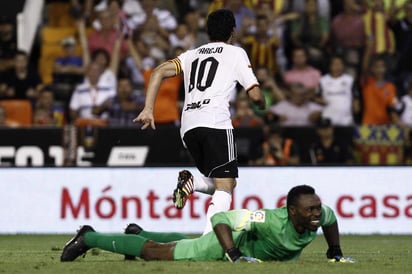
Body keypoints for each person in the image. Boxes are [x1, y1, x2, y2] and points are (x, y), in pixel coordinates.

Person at [133, 9, 265, 235]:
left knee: (225, 182)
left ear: (207, 31)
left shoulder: (190, 54)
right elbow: (254, 95)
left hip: (188, 126)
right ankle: (209, 239)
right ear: (233, 31)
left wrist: (148, 108)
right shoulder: (236, 53)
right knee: (225, 185)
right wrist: (262, 105)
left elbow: (157, 72)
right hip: (215, 122)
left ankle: (192, 182)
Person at [60, 184, 355, 263]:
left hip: (240, 246)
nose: (317, 214)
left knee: (187, 242)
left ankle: (138, 234)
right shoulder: (268, 220)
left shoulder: (320, 214)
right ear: (291, 211)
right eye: (310, 210)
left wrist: (335, 250)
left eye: (317, 207)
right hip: (227, 243)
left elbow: (331, 220)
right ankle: (89, 237)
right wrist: (233, 254)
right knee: (154, 253)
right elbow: (220, 218)